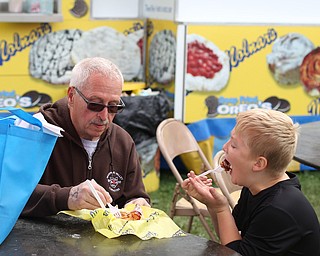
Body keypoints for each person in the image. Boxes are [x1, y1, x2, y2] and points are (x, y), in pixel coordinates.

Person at [21, 57, 150, 217]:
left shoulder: (122, 141)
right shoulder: (35, 131)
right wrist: (67, 198)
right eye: (95, 104)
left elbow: (136, 195)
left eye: (113, 106)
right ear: (71, 96)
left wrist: (138, 204)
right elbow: (10, 193)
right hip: (38, 239)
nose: (104, 116)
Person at [182, 108, 320, 256]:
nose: (224, 147)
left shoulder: (278, 209)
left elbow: (235, 254)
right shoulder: (256, 186)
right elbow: (232, 238)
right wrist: (214, 206)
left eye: (234, 145)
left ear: (259, 164)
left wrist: (221, 209)